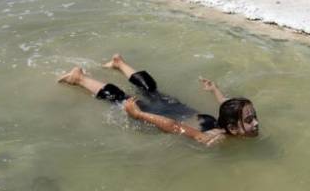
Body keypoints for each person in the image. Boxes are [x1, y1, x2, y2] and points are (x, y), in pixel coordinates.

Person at [58, 54, 259, 146]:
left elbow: (225, 106)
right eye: (250, 120)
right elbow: (173, 127)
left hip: (180, 109)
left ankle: (119, 63)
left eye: (253, 117)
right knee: (122, 98)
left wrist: (215, 90)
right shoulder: (214, 138)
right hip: (167, 115)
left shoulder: (227, 120)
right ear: (232, 128)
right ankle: (79, 78)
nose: (256, 122)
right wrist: (139, 114)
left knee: (151, 90)